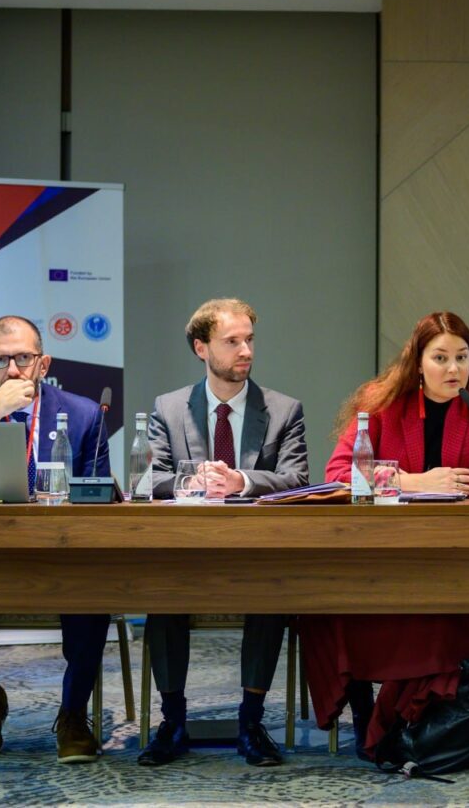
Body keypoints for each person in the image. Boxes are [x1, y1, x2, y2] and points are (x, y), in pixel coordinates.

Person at [299, 311, 469, 761]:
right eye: (440, 358)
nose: (453, 369)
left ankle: (409, 721)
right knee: (334, 597)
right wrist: (414, 482)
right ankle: (366, 708)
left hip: (453, 550)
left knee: (443, 606)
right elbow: (338, 473)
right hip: (384, 548)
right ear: (418, 362)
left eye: (462, 357)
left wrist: (452, 484)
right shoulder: (381, 401)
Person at [138, 297, 309, 767]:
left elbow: (298, 479)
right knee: (162, 593)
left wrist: (241, 481)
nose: (245, 350)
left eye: (249, 339)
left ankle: (251, 723)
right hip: (187, 550)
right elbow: (149, 479)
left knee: (271, 594)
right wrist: (189, 481)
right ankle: (172, 722)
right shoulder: (169, 408)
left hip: (256, 550)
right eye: (232, 341)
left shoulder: (283, 410)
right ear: (201, 348)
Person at [0, 315, 111, 763]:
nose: (12, 370)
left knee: (94, 593)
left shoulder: (83, 414)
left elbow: (98, 496)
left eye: (23, 358)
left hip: (64, 550)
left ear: (43, 363)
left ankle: (73, 713)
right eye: (0, 360)